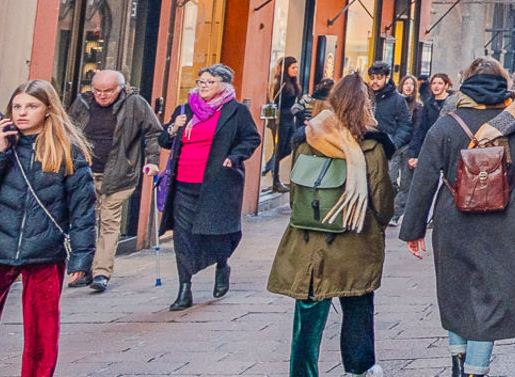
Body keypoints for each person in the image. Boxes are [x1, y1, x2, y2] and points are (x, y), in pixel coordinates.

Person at [400, 58, 515, 377]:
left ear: (466, 83)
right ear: (503, 83)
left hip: (452, 217)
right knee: (493, 295)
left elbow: (425, 177)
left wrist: (413, 229)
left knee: (456, 290)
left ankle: (458, 360)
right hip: (504, 219)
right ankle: (475, 371)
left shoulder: (447, 123)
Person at [268, 73, 395, 377]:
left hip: (309, 239)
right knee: (358, 303)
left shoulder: (308, 139)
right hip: (354, 237)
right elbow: (382, 200)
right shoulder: (371, 147)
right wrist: (377, 225)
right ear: (365, 105)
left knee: (308, 310)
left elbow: (295, 191)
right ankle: (359, 367)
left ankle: (302, 372)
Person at [0, 80, 96, 377]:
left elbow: (83, 211)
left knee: (42, 332)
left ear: (48, 110)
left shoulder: (67, 152)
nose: (23, 113)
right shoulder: (0, 149)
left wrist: (82, 257)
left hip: (45, 251)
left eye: (32, 106)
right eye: (17, 106)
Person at [158, 64, 261, 311]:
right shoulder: (185, 109)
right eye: (201, 81)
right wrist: (173, 127)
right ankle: (184, 289)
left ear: (223, 85)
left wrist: (235, 156)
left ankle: (222, 264)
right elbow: (164, 140)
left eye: (209, 82)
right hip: (183, 184)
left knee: (216, 233)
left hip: (218, 184)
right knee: (182, 238)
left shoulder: (236, 111)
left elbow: (251, 138)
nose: (203, 86)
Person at [65, 70, 162, 292]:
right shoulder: (83, 102)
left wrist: (153, 160)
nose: (101, 95)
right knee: (87, 222)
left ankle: (101, 273)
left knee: (109, 222)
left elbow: (153, 133)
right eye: (97, 90)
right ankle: (83, 269)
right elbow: (68, 132)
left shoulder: (135, 103)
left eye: (107, 91)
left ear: (121, 88)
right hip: (85, 173)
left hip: (119, 174)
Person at [362, 64, 411, 224]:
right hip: (365, 146)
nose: (375, 82)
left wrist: (394, 143)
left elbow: (405, 125)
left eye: (379, 78)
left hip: (387, 148)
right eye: (373, 78)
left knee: (386, 182)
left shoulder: (397, 99)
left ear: (386, 78)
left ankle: (386, 213)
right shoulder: (364, 96)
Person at [268, 58, 303, 193]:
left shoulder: (293, 83)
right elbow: (273, 100)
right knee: (280, 148)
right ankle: (275, 179)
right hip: (281, 119)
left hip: (290, 118)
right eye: (293, 67)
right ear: (285, 68)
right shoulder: (280, 83)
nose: (296, 70)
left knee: (288, 147)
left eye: (296, 67)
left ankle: (271, 167)